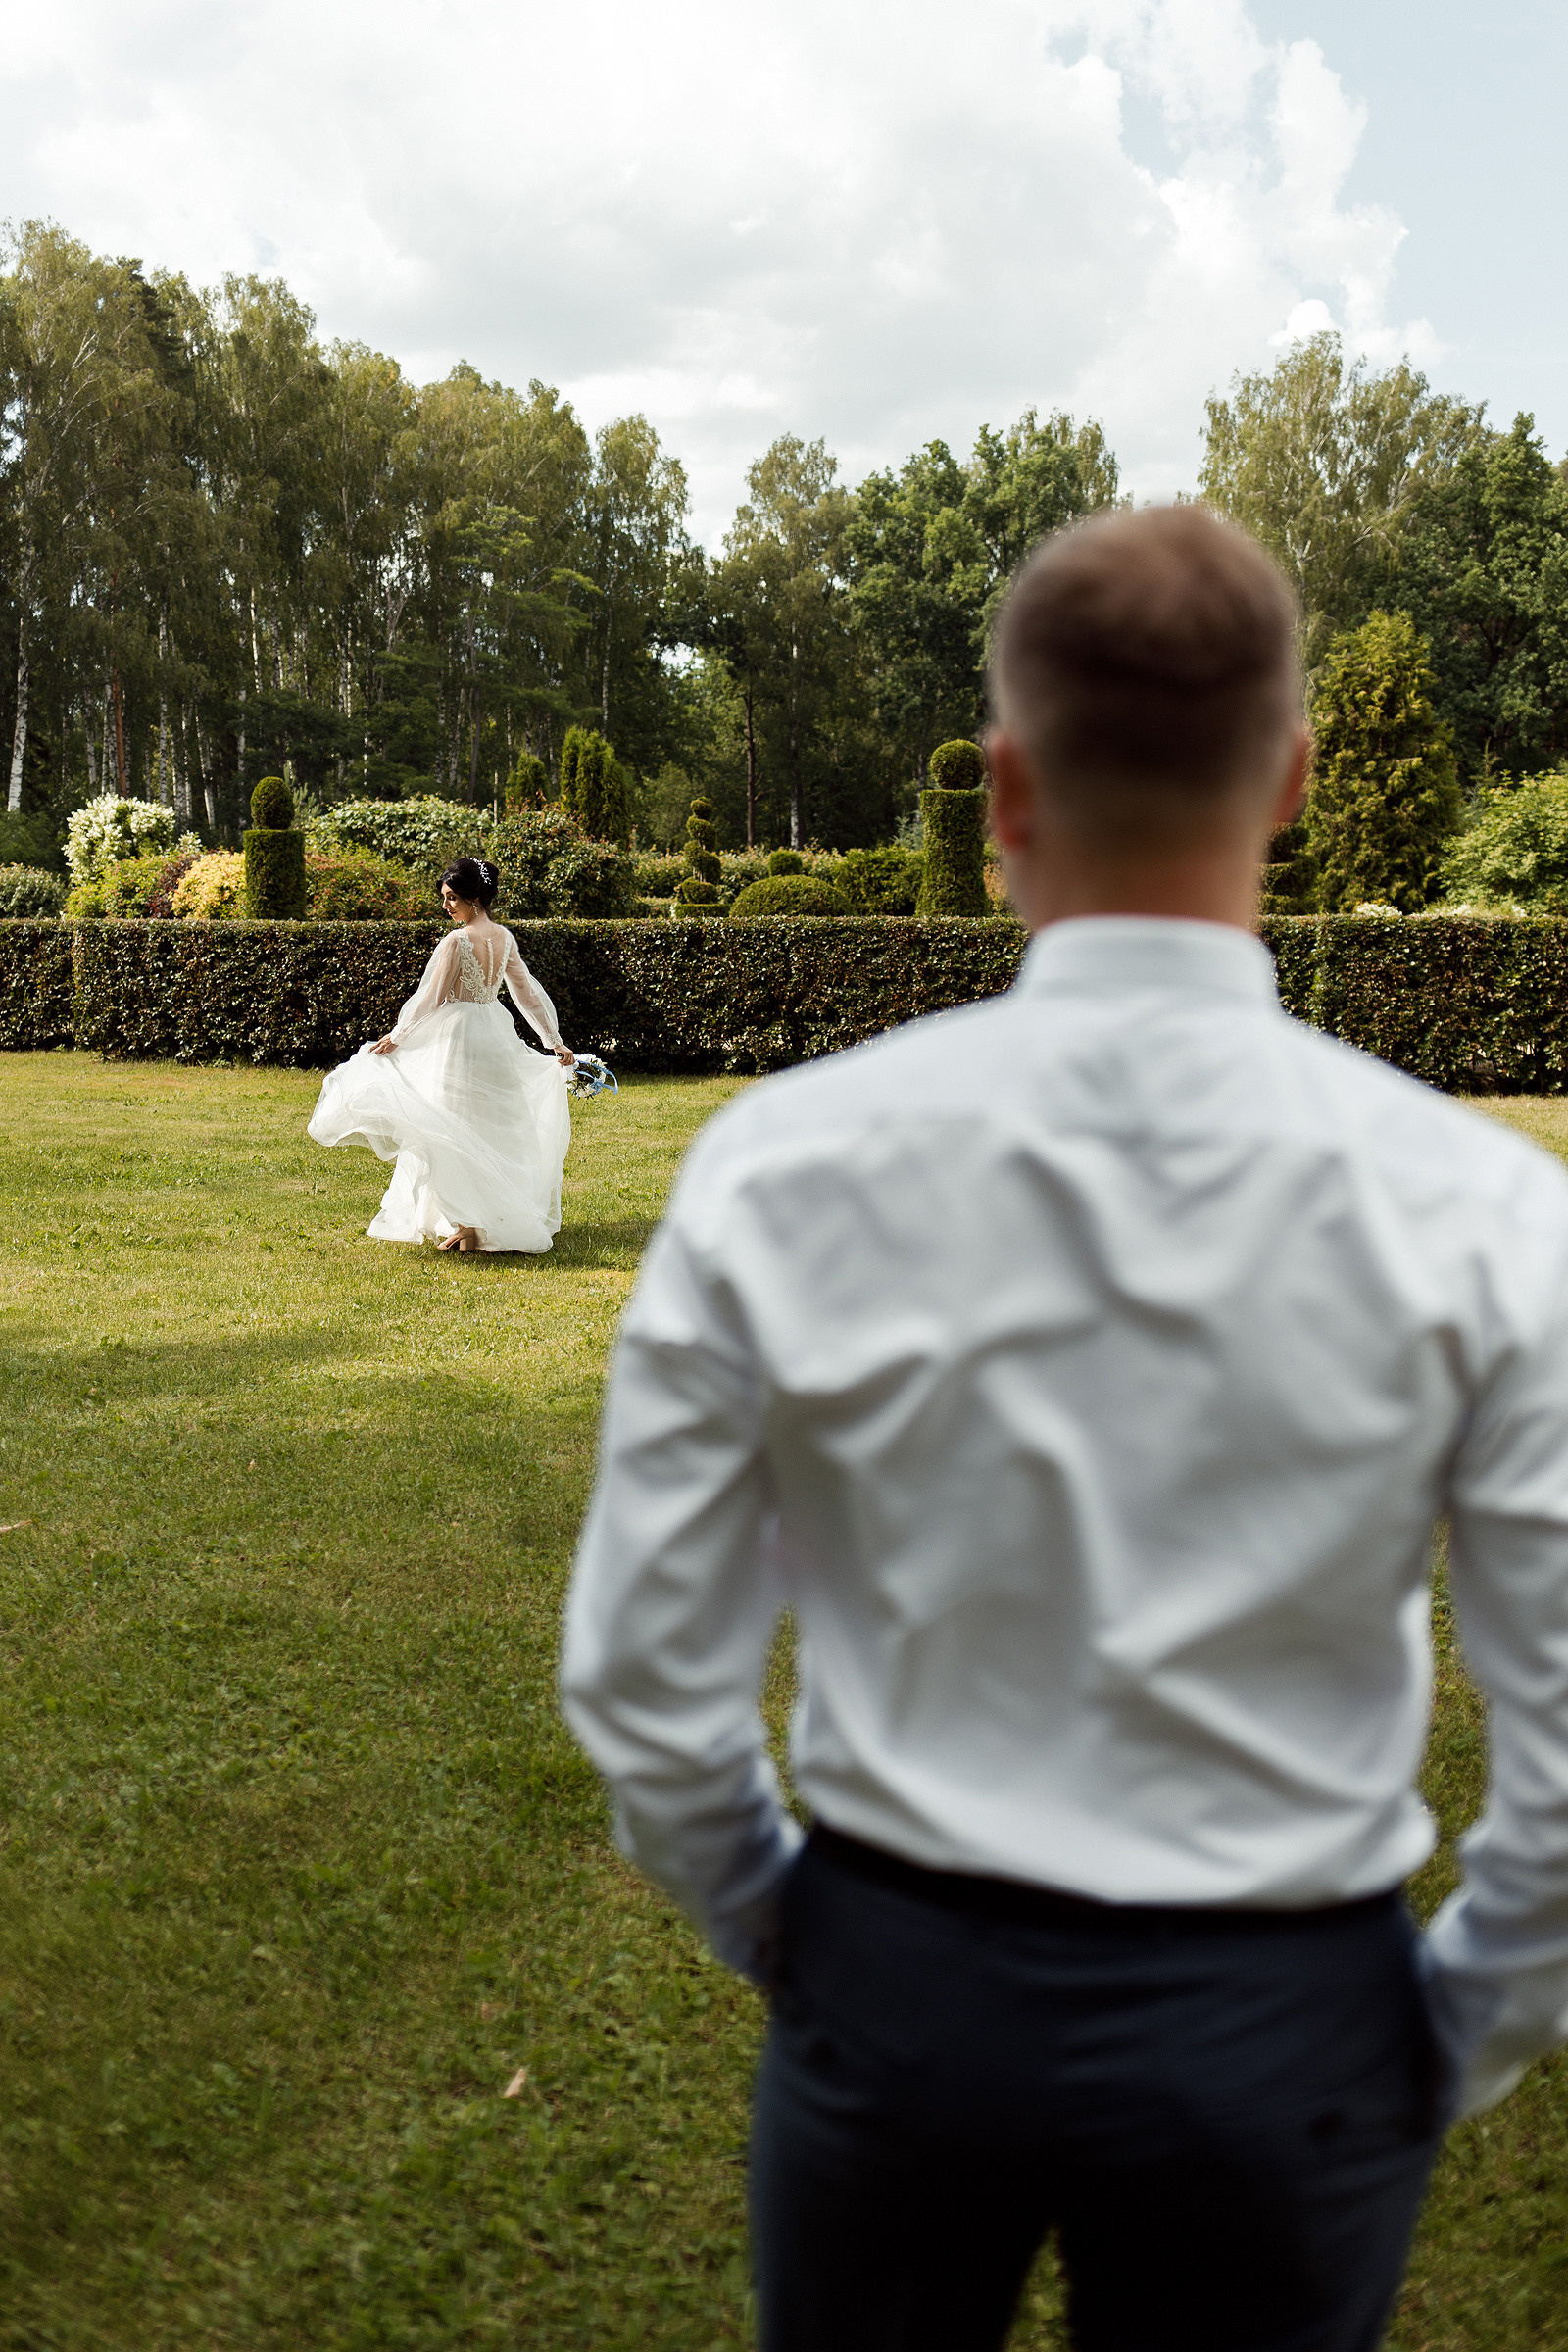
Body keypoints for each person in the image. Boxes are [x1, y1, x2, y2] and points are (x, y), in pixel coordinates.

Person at [560, 506, 1568, 2352]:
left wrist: (797, 1941)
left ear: (1004, 787)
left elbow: (640, 1673)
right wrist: (1459, 2027)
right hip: (1292, 2025)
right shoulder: (1481, 1208)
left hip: (900, 1993)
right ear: (1292, 780)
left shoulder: (787, 1166)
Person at [308, 856, 576, 1255]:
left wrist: (397, 1035)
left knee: (452, 1122)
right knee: (490, 1123)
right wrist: (553, 1038)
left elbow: (432, 996)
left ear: (473, 898)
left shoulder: (456, 941)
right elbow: (527, 995)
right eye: (445, 898)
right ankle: (478, 1220)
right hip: (494, 1031)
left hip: (459, 1036)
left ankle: (468, 1224)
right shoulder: (503, 937)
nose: (446, 906)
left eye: (452, 898)